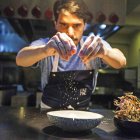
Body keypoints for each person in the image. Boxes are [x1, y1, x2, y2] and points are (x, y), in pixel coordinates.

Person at [16, 0, 126, 110]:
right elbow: (20, 59)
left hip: (82, 115)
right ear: (55, 23)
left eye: (77, 25)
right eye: (63, 24)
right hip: (47, 114)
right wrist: (44, 50)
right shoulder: (46, 44)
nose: (70, 32)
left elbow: (121, 62)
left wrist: (105, 52)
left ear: (84, 25)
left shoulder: (93, 45)